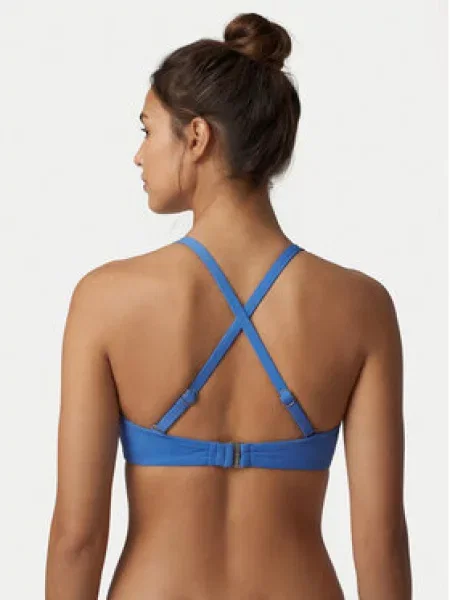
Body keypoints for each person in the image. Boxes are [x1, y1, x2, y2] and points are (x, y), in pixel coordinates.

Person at [44, 12, 412, 600]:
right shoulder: (362, 307)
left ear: (196, 137)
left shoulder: (105, 300)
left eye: (147, 130)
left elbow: (77, 537)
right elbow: (380, 540)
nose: (138, 156)